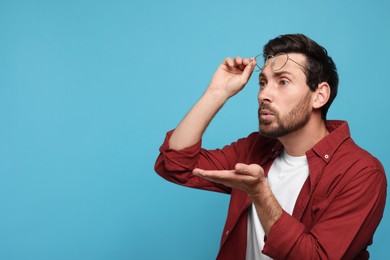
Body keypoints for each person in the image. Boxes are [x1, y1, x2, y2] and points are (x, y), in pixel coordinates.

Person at [154, 34, 387, 259]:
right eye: (262, 82)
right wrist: (217, 93)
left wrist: (260, 193)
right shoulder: (255, 148)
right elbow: (175, 164)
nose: (263, 94)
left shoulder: (361, 173)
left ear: (319, 95)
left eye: (283, 81)